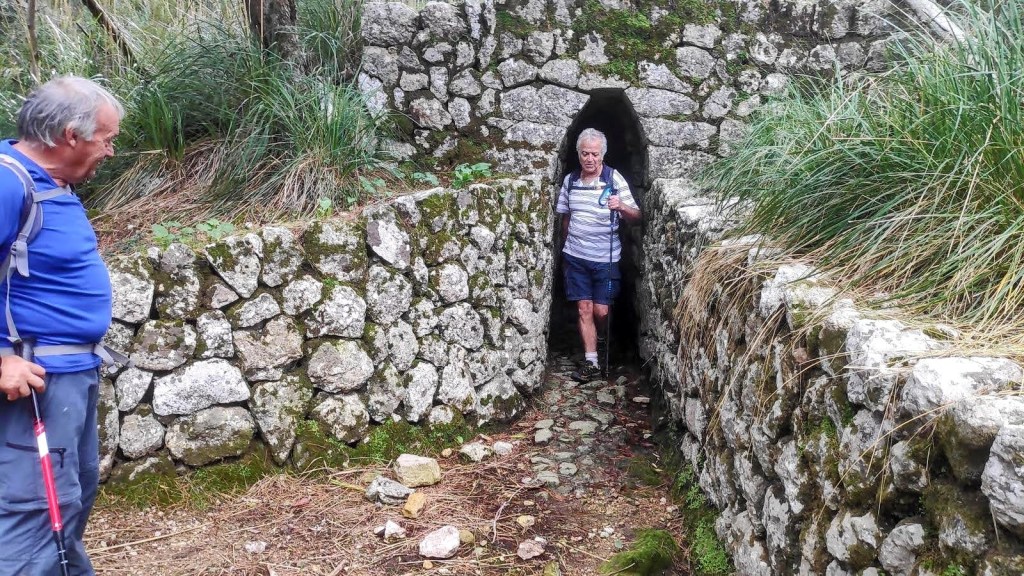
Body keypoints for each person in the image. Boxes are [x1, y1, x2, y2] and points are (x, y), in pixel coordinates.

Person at [0, 76, 122, 575]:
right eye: (106, 140)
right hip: (33, 382)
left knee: (67, 501)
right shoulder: (9, 184)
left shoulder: (49, 183)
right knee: (36, 512)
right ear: (70, 135)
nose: (110, 152)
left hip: (69, 375)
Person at [556, 128, 641, 382]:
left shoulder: (614, 180)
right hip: (576, 257)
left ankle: (603, 338)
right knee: (584, 308)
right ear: (578, 154)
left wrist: (622, 206)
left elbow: (637, 217)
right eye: (584, 154)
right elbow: (566, 217)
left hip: (606, 257)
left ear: (602, 155)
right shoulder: (570, 181)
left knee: (601, 311)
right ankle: (591, 362)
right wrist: (564, 247)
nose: (589, 159)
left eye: (594, 154)